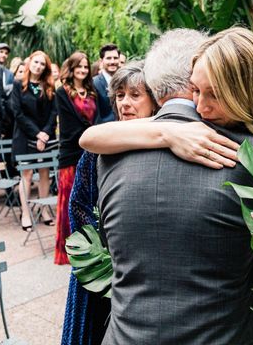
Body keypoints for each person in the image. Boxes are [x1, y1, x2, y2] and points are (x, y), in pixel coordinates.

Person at [80, 27, 253, 344]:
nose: (202, 106)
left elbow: (111, 245)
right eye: (198, 91)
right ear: (191, 82)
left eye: (212, 94)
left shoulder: (109, 155)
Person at [61, 60, 158, 345]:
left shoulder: (166, 142)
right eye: (120, 95)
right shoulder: (100, 145)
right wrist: (104, 253)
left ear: (154, 99)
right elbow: (78, 205)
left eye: (135, 95)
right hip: (101, 263)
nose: (125, 103)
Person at [55, 52, 99, 264]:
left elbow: (98, 117)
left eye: (85, 66)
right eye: (78, 66)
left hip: (92, 149)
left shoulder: (93, 91)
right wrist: (90, 134)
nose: (82, 70)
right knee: (69, 200)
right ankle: (68, 250)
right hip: (71, 150)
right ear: (71, 68)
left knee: (89, 200)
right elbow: (68, 122)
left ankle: (90, 246)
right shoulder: (62, 92)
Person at [10, 51, 57, 231]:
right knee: (27, 175)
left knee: (45, 173)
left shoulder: (49, 85)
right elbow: (18, 113)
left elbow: (54, 112)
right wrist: (37, 134)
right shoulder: (18, 84)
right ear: (29, 63)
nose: (38, 66)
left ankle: (44, 210)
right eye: (36, 62)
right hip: (24, 136)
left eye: (42, 64)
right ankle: (26, 213)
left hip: (46, 137)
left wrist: (45, 133)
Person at [92, 43, 119, 124]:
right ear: (101, 61)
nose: (112, 61)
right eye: (109, 58)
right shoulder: (94, 83)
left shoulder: (124, 81)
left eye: (115, 58)